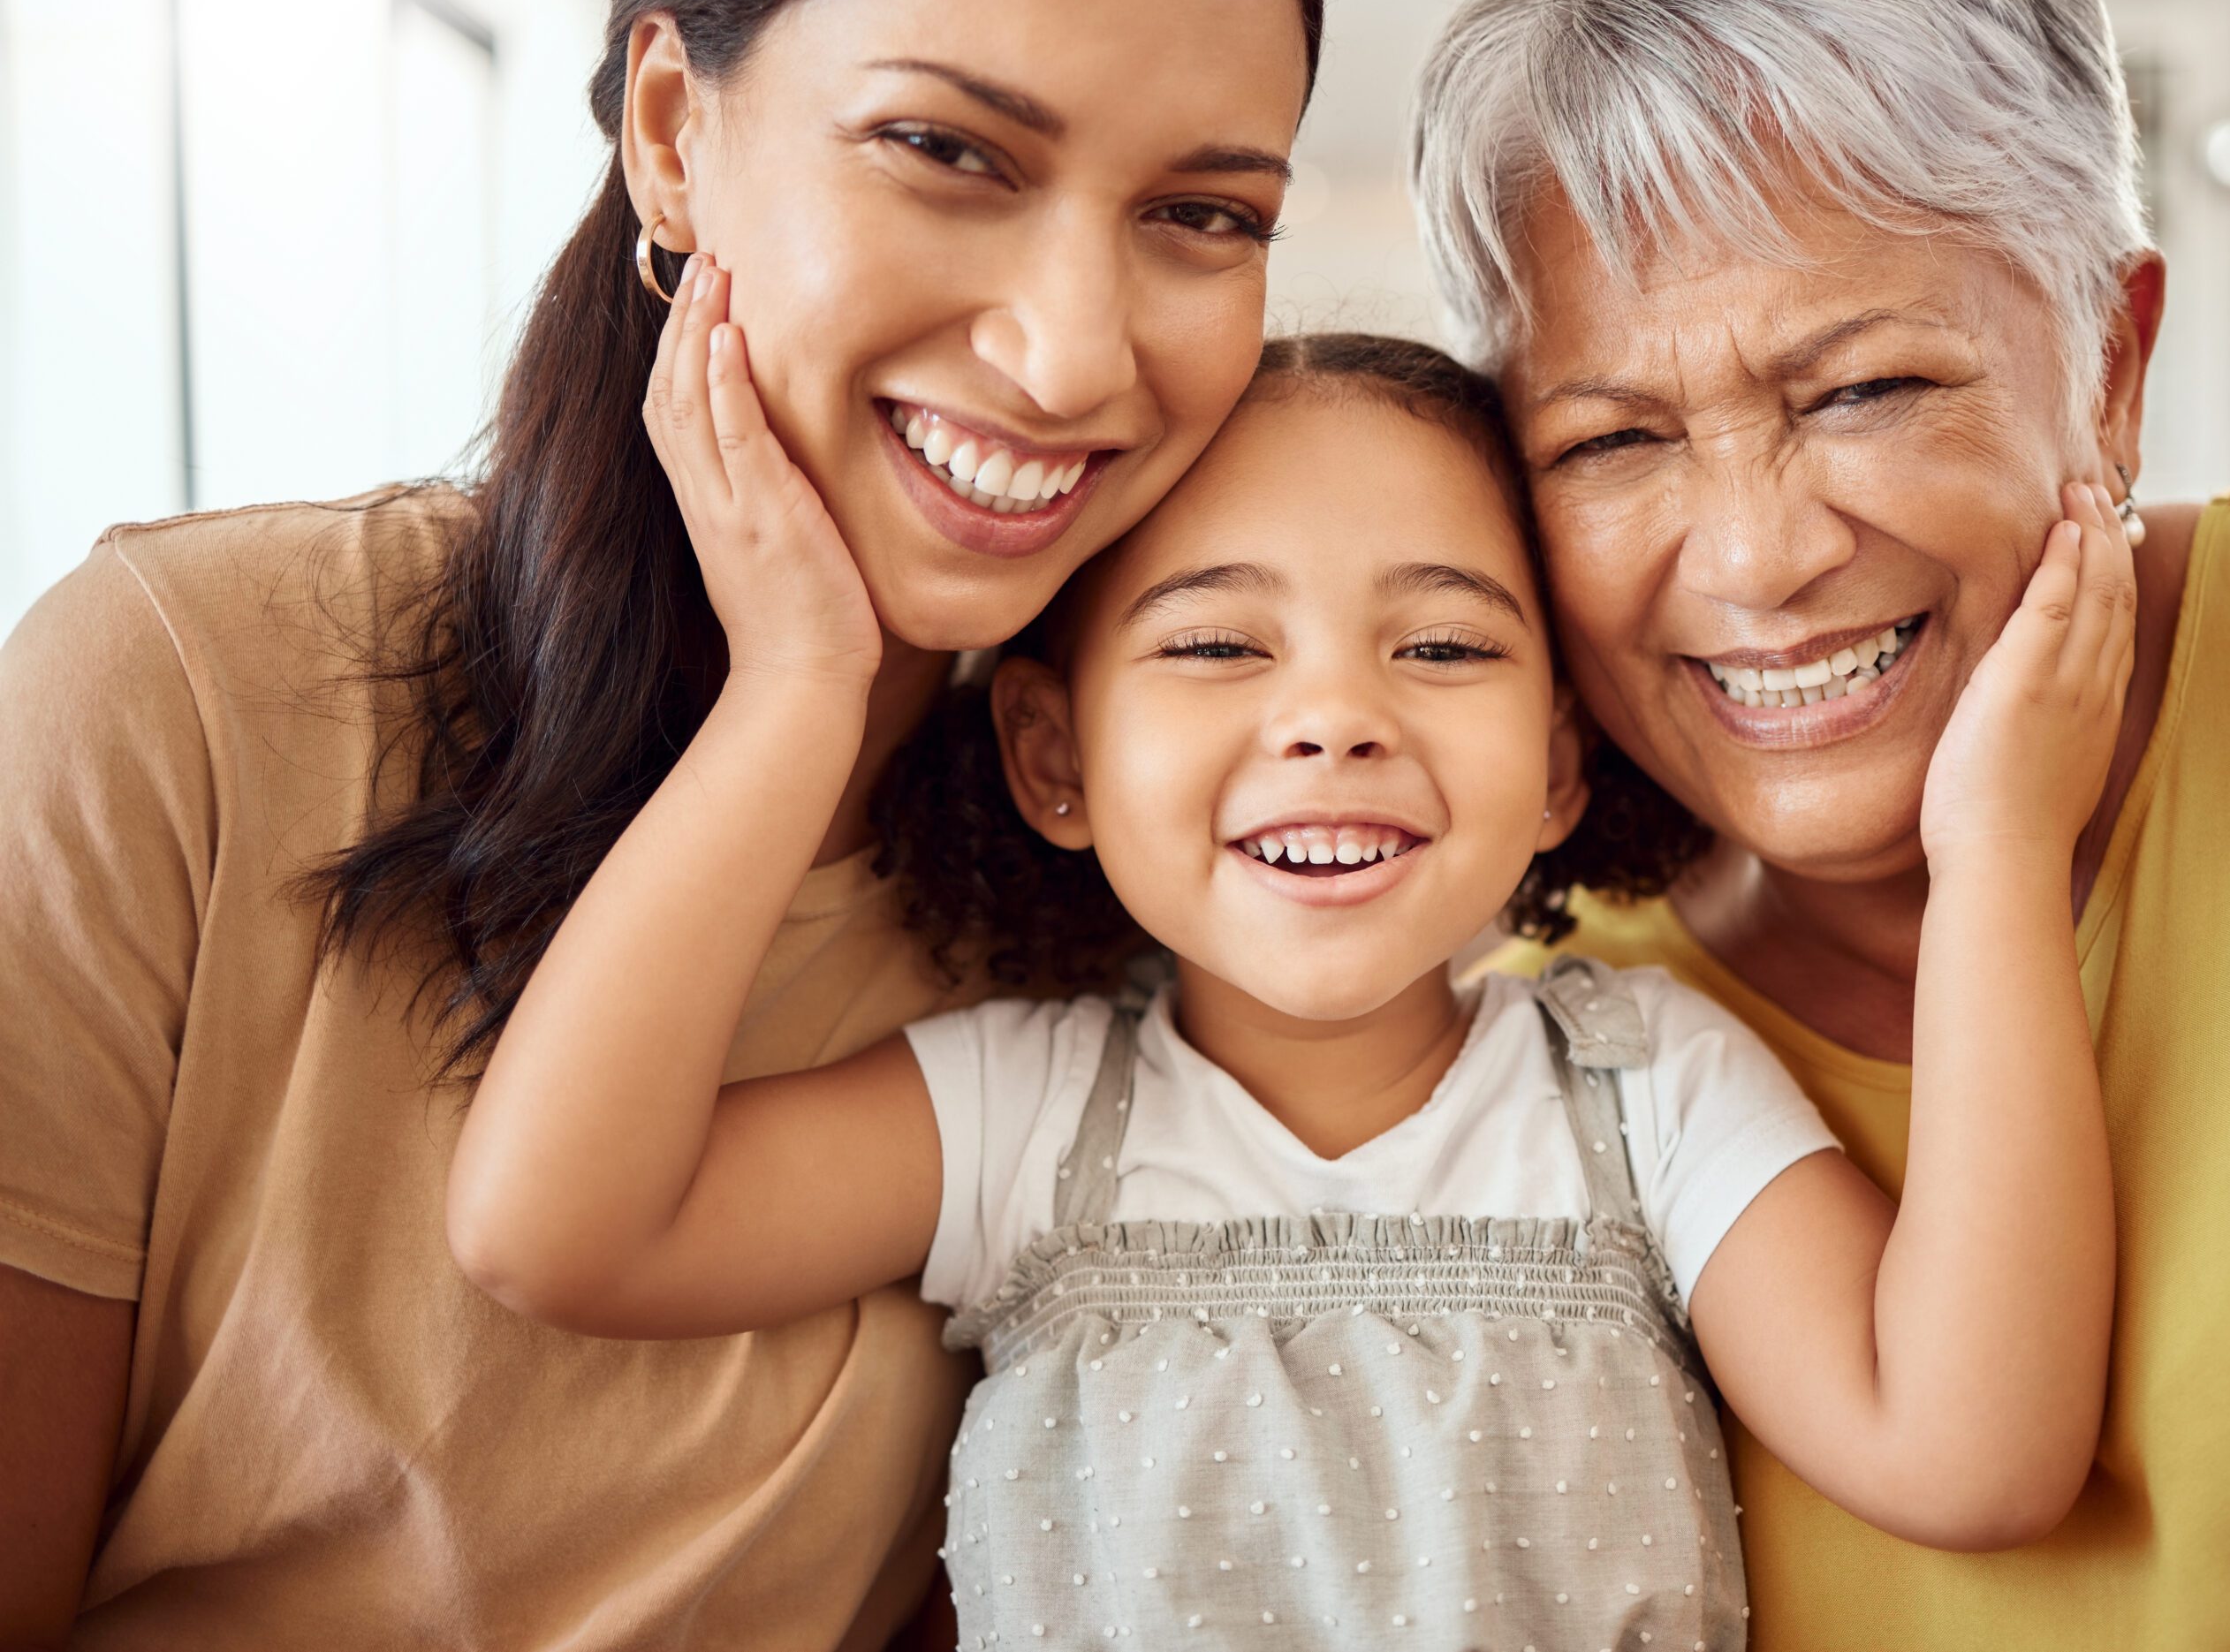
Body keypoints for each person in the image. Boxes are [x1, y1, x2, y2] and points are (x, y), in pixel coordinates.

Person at [0, 0, 1324, 1644]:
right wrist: (791, 698)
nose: (1075, 351)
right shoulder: (182, 686)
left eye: (1205, 212)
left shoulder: (1165, 882)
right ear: (671, 130)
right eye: (946, 148)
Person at [444, 331, 2136, 1648]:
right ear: (1052, 753)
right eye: (1217, 644)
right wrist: (798, 690)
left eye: (1445, 645)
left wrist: (1994, 846)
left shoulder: (1643, 1094)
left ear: (1558, 765)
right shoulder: (1025, 1117)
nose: (1335, 715)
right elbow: (557, 1224)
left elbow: (1970, 1450)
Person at [1414, 0, 2230, 1643]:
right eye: (1613, 437)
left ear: (2114, 365)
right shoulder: (1527, 1067)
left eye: (1859, 393)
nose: (1758, 555)